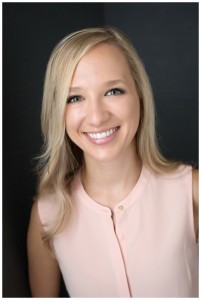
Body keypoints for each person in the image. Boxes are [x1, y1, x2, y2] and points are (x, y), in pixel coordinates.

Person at [27, 26, 198, 298]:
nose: (96, 117)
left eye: (114, 91)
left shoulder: (192, 192)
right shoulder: (47, 215)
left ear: (139, 96)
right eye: (75, 98)